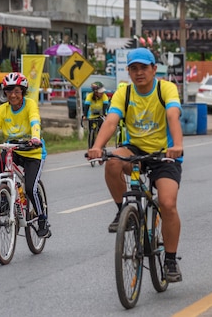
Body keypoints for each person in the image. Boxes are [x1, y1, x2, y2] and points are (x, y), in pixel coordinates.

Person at [86, 48, 185, 283]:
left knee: (167, 203)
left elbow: (172, 116)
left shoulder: (166, 88)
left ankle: (170, 261)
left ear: (153, 69)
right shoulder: (124, 92)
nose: (139, 73)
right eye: (134, 69)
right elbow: (111, 121)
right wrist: (97, 146)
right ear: (128, 72)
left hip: (165, 153)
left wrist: (178, 144)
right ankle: (124, 211)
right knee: (112, 162)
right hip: (136, 150)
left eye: (143, 68)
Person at [0, 73, 50, 237]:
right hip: (13, 150)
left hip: (33, 151)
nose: (13, 95)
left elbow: (35, 122)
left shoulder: (30, 105)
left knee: (30, 188)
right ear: (4, 92)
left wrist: (35, 138)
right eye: (9, 91)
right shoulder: (1, 110)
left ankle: (42, 218)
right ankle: (4, 194)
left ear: (23, 92)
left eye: (17, 91)